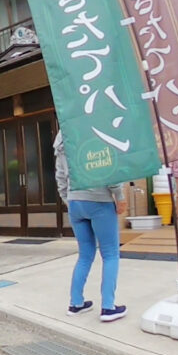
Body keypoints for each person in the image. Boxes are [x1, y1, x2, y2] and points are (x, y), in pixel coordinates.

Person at [54, 131, 127, 322]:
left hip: (75, 201)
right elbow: (107, 167)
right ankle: (108, 307)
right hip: (99, 200)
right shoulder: (93, 125)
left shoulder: (62, 136)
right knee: (110, 254)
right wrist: (119, 195)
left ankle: (76, 303)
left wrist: (67, 198)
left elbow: (60, 175)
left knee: (85, 255)